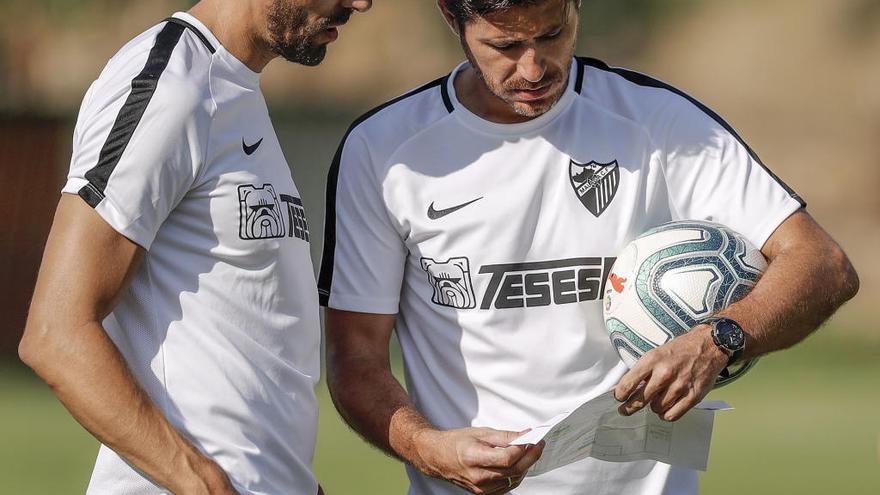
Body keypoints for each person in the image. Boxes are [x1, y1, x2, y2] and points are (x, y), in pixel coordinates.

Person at [318, 0, 859, 494]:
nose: (532, 68)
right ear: (449, 17)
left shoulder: (659, 121)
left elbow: (822, 264)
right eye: (505, 46)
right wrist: (428, 449)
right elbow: (356, 359)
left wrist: (718, 339)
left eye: (552, 34)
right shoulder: (385, 151)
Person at [18, 1, 372, 493]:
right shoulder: (171, 83)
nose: (361, 3)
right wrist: (202, 482)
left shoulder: (232, 89)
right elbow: (55, 334)